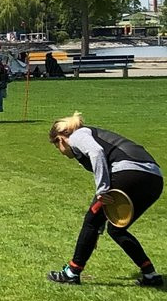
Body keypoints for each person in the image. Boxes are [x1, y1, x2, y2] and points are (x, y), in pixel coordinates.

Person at [46, 113, 163, 287]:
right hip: (153, 179)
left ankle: (72, 272)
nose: (61, 153)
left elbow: (96, 151)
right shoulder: (90, 134)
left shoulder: (77, 135)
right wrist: (95, 232)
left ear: (60, 139)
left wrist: (102, 190)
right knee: (117, 230)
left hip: (128, 172)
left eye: (57, 147)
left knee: (90, 220)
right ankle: (150, 274)